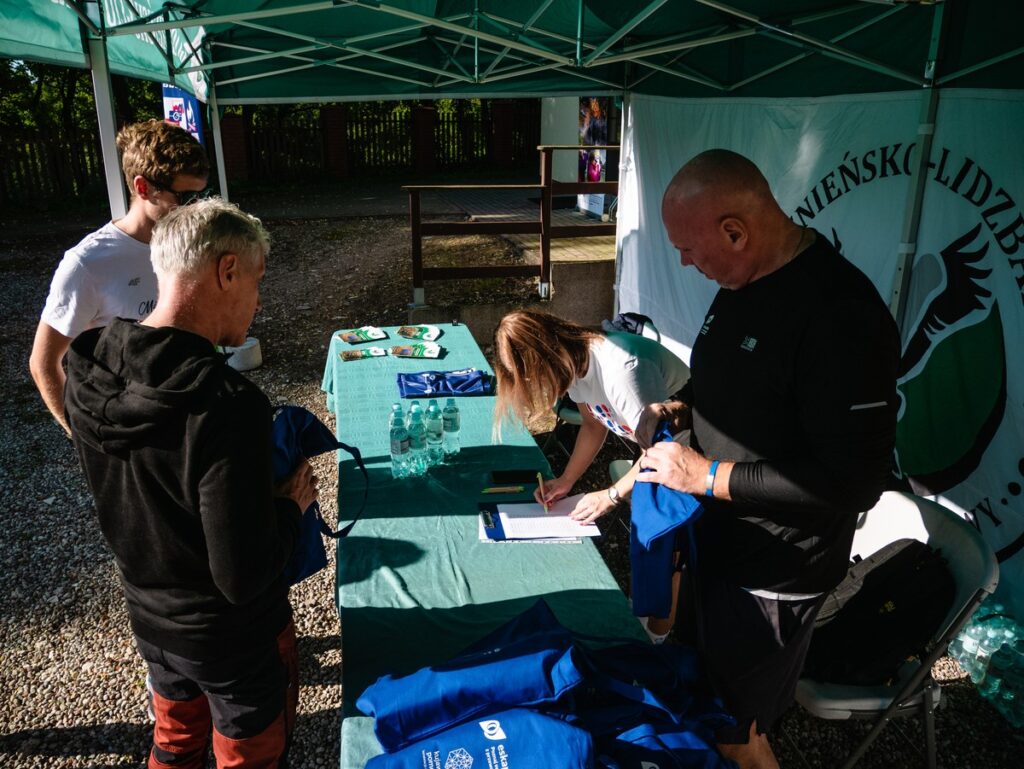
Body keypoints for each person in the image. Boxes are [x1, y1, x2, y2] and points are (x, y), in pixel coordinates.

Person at [637, 149, 900, 769]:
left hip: (775, 570)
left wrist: (706, 475)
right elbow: (730, 379)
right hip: (716, 544)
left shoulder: (841, 314)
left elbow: (854, 481)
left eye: (689, 249)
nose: (684, 263)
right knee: (702, 705)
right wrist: (680, 406)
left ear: (736, 231)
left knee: (735, 735)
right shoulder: (740, 279)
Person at [64, 198, 315, 768]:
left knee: (175, 742)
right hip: (231, 637)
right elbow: (243, 575)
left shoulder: (88, 363)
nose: (258, 301)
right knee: (249, 754)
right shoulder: (225, 404)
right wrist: (290, 507)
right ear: (226, 270)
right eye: (256, 281)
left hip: (151, 617)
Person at [492, 310, 690, 638]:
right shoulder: (575, 361)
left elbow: (661, 450)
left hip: (686, 454)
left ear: (549, 356)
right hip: (656, 452)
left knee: (666, 552)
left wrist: (610, 495)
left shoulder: (622, 370)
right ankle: (644, 621)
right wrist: (566, 481)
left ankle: (659, 642)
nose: (541, 390)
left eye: (536, 380)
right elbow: (593, 424)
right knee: (647, 548)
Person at [30, 119, 209, 434]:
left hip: (188, 419)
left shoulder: (190, 243)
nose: (196, 211)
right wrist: (84, 438)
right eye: (184, 199)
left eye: (203, 196)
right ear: (143, 187)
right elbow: (43, 363)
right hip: (129, 431)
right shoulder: (87, 264)